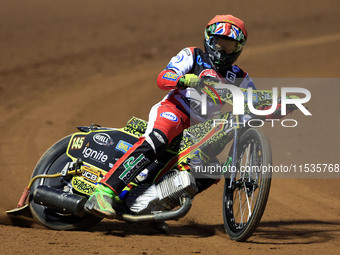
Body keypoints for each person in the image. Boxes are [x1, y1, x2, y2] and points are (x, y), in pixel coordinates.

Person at [84, 14, 256, 219]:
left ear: (238, 49)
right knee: (159, 139)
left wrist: (282, 105)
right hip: (174, 110)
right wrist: (182, 79)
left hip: (199, 129)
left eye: (228, 46)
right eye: (218, 42)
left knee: (211, 171)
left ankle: (149, 206)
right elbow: (163, 77)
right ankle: (103, 192)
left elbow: (255, 102)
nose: (221, 49)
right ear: (208, 40)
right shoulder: (193, 55)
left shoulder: (239, 76)